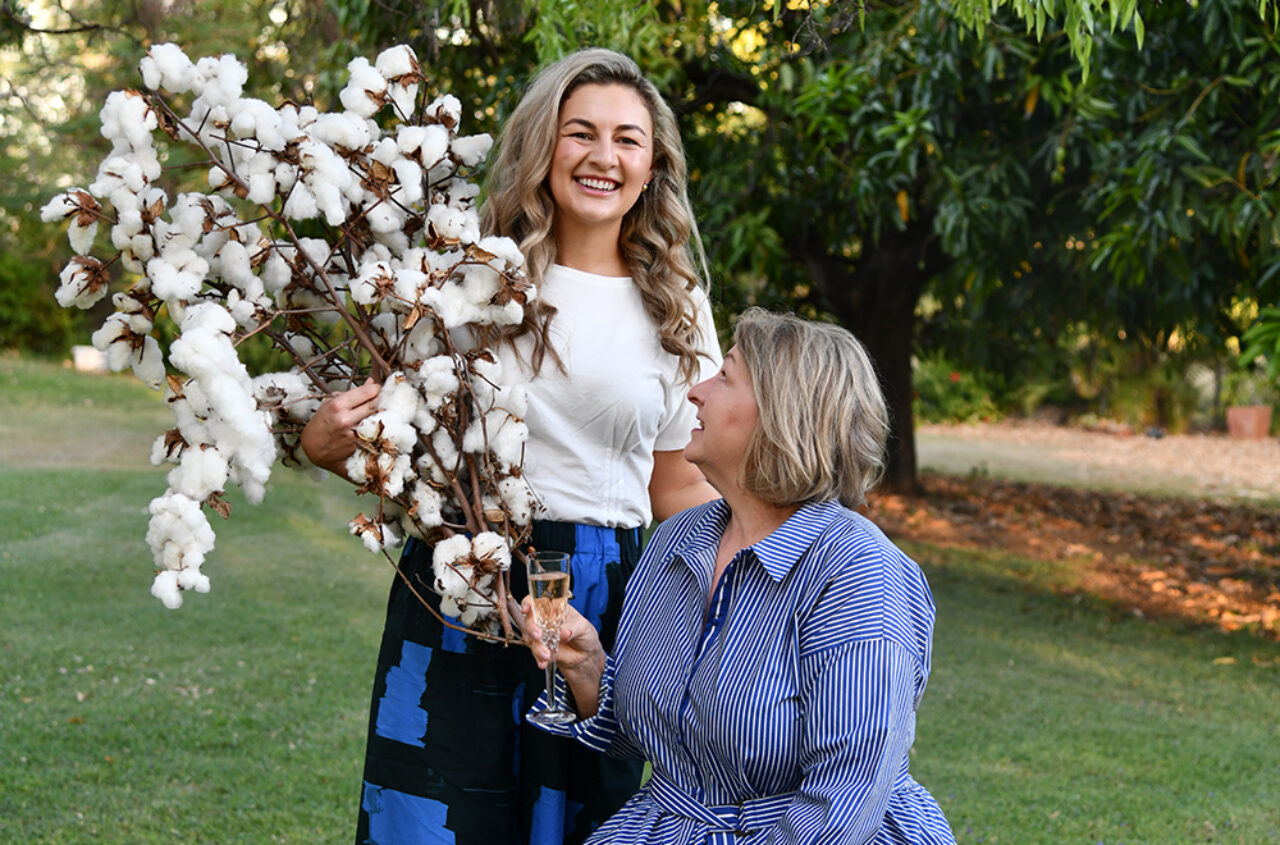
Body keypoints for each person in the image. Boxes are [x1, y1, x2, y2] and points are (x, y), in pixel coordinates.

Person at [300, 49, 723, 845]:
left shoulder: (679, 307)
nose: (604, 157)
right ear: (542, 147)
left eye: (628, 139)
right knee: (427, 822)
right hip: (459, 582)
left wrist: (770, 568)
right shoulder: (465, 280)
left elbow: (678, 489)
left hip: (597, 603)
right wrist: (328, 446)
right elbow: (401, 447)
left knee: (578, 826)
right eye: (580, 133)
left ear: (653, 163)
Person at [524, 309, 957, 844]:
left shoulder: (858, 574)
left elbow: (844, 803)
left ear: (783, 414)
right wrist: (589, 667)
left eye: (724, 376)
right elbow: (662, 738)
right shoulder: (678, 541)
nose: (695, 393)